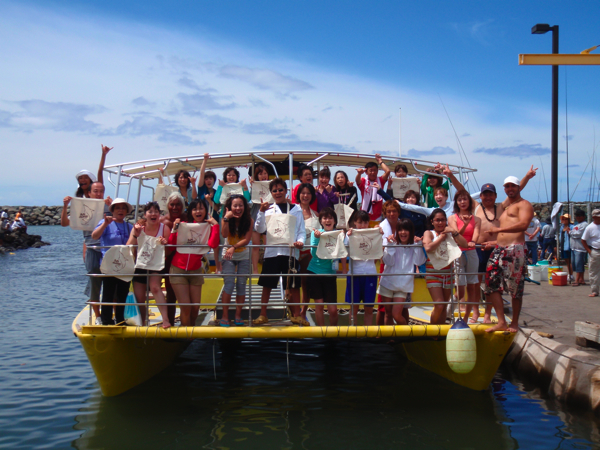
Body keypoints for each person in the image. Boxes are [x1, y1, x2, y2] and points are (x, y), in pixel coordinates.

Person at [442, 164, 537, 324]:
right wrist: (450, 176)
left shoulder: (502, 207)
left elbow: (515, 190)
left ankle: (487, 314)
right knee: (475, 283)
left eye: (490, 195)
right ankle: (474, 312)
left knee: (490, 285)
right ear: (481, 196)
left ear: (495, 195)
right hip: (478, 248)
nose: (487, 198)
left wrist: (527, 176)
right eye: (484, 195)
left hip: (496, 248)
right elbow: (461, 191)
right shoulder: (477, 207)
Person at [483, 176, 535, 333]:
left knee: (515, 289)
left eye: (513, 186)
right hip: (499, 249)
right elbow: (505, 232)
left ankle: (514, 323)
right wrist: (493, 242)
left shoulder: (524, 205)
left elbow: (523, 225)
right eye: (507, 186)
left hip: (515, 250)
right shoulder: (505, 207)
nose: (510, 189)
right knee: (490, 284)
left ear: (519, 187)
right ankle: (501, 321)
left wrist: (498, 230)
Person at [254, 178, 306, 325]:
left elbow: (301, 231)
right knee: (267, 284)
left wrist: (301, 242)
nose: (278, 193)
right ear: (271, 193)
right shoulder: (268, 209)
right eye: (274, 190)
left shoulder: (297, 209)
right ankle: (263, 314)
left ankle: (296, 314)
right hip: (272, 253)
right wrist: (261, 212)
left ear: (286, 191)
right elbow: (259, 229)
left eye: (280, 190)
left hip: (290, 253)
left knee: (294, 286)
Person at [61, 181, 112, 324]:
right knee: (94, 284)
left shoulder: (109, 207)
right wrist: (65, 207)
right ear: (89, 193)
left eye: (101, 191)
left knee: (111, 284)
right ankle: (98, 317)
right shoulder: (82, 208)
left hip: (108, 250)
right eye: (95, 191)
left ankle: (112, 314)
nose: (98, 194)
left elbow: (120, 219)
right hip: (92, 250)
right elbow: (65, 223)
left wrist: (112, 205)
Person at [168, 199, 220, 326]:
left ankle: (190, 332)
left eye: (201, 208)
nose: (198, 211)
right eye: (195, 209)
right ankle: (187, 334)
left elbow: (213, 244)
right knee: (186, 307)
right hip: (178, 269)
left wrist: (216, 226)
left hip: (196, 270)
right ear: (190, 212)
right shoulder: (183, 225)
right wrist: (174, 228)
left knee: (195, 308)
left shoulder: (208, 227)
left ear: (206, 211)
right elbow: (171, 245)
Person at [91, 198, 134, 325]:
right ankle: (106, 320)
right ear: (113, 210)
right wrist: (105, 224)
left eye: (123, 208)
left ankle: (120, 319)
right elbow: (94, 236)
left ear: (126, 211)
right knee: (108, 293)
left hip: (124, 264)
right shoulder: (105, 222)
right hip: (109, 263)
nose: (120, 210)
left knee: (123, 293)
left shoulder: (129, 226)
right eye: (117, 208)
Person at [128, 202, 171, 328]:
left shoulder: (164, 228)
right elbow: (128, 246)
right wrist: (135, 234)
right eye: (150, 212)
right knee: (139, 297)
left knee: (155, 287)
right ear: (145, 215)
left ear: (159, 214)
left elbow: (168, 251)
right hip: (140, 264)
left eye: (156, 211)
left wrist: (165, 244)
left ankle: (165, 319)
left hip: (156, 264)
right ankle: (142, 321)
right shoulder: (138, 227)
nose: (153, 214)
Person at [423, 209, 468, 325]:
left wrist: (454, 231)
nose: (440, 223)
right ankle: (433, 330)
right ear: (432, 221)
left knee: (444, 305)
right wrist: (441, 238)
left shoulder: (450, 233)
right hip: (433, 273)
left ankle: (440, 331)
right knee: (439, 304)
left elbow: (465, 244)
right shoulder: (429, 233)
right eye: (437, 220)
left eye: (442, 220)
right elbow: (428, 248)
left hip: (448, 273)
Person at [379, 219, 426, 325]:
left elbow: (419, 261)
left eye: (406, 230)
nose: (403, 232)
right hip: (387, 283)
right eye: (400, 230)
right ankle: (390, 338)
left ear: (411, 232)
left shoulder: (414, 245)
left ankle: (406, 335)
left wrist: (418, 245)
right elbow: (388, 262)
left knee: (397, 314)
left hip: (403, 286)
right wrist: (390, 246)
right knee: (388, 314)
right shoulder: (391, 243)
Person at [343, 210, 382, 326]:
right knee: (353, 307)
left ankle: (368, 335)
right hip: (354, 275)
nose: (362, 225)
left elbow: (377, 253)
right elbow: (344, 252)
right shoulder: (349, 235)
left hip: (370, 274)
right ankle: (352, 333)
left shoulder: (375, 233)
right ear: (355, 222)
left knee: (369, 308)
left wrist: (379, 232)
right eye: (360, 222)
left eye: (365, 222)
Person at [448, 190, 481, 323]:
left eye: (465, 199)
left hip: (471, 252)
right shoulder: (452, 218)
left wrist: (473, 241)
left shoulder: (477, 219)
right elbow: (456, 235)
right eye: (459, 200)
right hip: (458, 252)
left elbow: (476, 234)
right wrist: (466, 224)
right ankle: (449, 311)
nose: (462, 202)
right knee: (460, 287)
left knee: (472, 285)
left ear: (469, 202)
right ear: (456, 202)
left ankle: (468, 316)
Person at [220, 195, 253, 327]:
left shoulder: (249, 220)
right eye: (235, 205)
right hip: (228, 256)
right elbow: (224, 235)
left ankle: (238, 315)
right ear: (230, 207)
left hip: (243, 255)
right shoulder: (226, 219)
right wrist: (227, 219)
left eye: (241, 205)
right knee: (229, 284)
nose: (238, 208)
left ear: (244, 207)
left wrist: (233, 247)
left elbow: (246, 239)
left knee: (241, 284)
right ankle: (225, 315)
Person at [306, 207, 340, 326]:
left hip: (330, 274)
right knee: (319, 306)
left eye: (330, 218)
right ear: (321, 221)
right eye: (324, 218)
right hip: (315, 272)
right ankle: (321, 333)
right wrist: (317, 238)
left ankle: (333, 334)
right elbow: (314, 254)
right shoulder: (315, 233)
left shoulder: (339, 234)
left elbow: (343, 252)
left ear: (335, 221)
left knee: (333, 310)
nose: (327, 220)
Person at [160, 192, 186, 324]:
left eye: (178, 205)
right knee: (169, 292)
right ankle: (169, 320)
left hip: (183, 259)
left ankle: (185, 321)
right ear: (167, 206)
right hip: (166, 260)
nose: (175, 207)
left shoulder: (187, 218)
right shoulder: (161, 221)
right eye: (172, 204)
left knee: (180, 292)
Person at [296, 183, 320, 321]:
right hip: (294, 252)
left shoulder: (316, 215)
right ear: (299, 194)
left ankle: (303, 312)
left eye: (308, 193)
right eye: (303, 193)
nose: (305, 196)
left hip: (309, 254)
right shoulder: (292, 211)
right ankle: (293, 311)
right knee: (291, 284)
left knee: (306, 284)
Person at [355, 153, 391, 225]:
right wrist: (359, 173)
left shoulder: (380, 181)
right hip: (364, 217)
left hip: (377, 217)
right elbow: (357, 181)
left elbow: (388, 171)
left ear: (377, 171)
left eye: (375, 170)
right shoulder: (363, 181)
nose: (373, 172)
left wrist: (380, 161)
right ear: (366, 171)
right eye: (371, 170)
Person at [249, 164, 270, 274]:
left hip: (268, 218)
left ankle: (266, 270)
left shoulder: (272, 186)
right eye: (260, 174)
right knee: (256, 246)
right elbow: (249, 201)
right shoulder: (253, 186)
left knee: (267, 246)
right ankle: (255, 271)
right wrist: (251, 187)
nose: (263, 176)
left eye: (265, 173)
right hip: (255, 216)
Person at [581, 209, 600, 298]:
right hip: (595, 251)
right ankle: (594, 291)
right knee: (593, 272)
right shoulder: (590, 227)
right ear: (594, 217)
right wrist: (589, 251)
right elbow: (583, 240)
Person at [197, 153, 220, 222]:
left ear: (214, 180)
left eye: (210, 179)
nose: (208, 181)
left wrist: (209, 200)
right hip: (202, 221)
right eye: (206, 179)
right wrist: (205, 160)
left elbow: (217, 209)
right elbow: (201, 173)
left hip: (214, 221)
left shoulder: (217, 192)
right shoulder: (202, 190)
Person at [570, 210, 589, 287]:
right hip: (574, 247)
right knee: (575, 264)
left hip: (580, 248)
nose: (578, 217)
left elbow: (578, 234)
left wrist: (570, 232)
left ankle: (577, 280)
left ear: (584, 216)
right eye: (576, 216)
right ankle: (582, 279)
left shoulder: (584, 224)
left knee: (578, 264)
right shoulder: (576, 225)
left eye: (579, 216)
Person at [559, 214, 574, 283]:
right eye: (563, 219)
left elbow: (573, 235)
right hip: (562, 245)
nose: (564, 220)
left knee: (569, 261)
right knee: (566, 261)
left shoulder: (571, 227)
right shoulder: (561, 227)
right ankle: (570, 273)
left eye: (566, 219)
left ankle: (571, 274)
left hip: (568, 246)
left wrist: (569, 232)